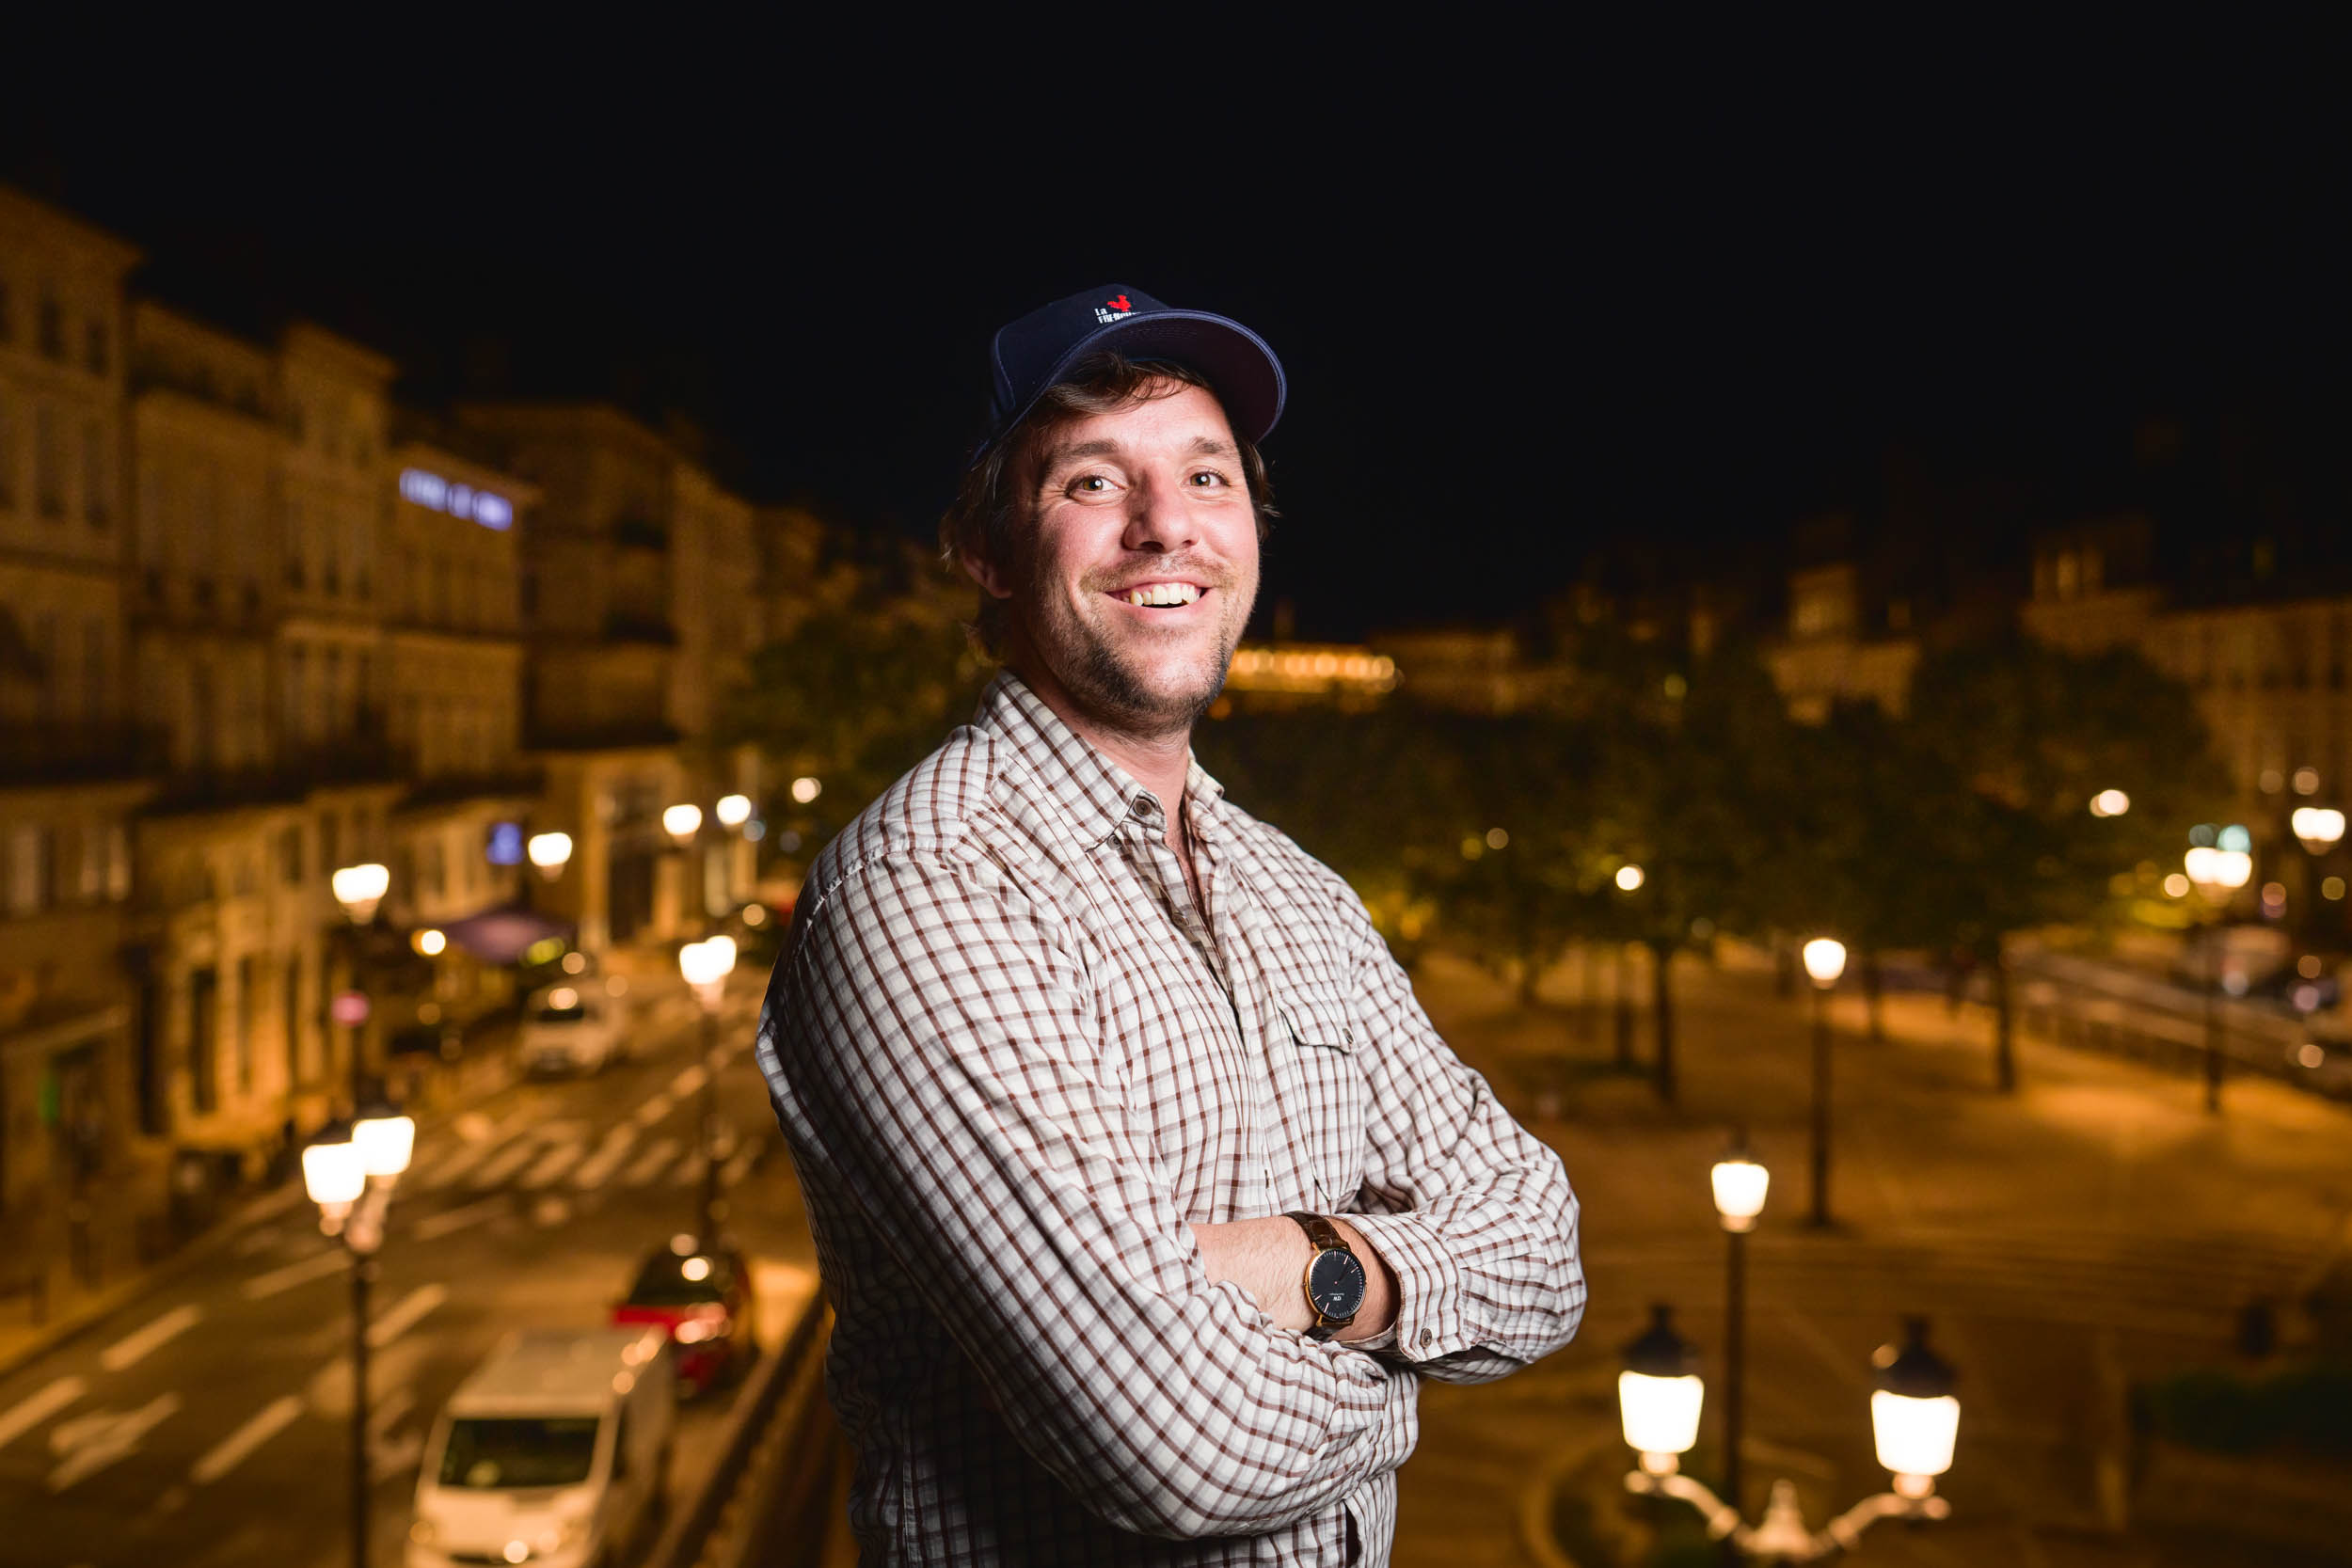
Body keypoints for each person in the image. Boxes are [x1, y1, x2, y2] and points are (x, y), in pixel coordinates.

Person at [755, 285, 1584, 1565]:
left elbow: (1544, 1252)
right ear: (985, 549)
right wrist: (1409, 1358)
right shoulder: (926, 888)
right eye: (1093, 483)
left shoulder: (1295, 887)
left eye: (1207, 477)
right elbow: (1180, 1454)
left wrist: (1310, 1266)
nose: (1166, 529)